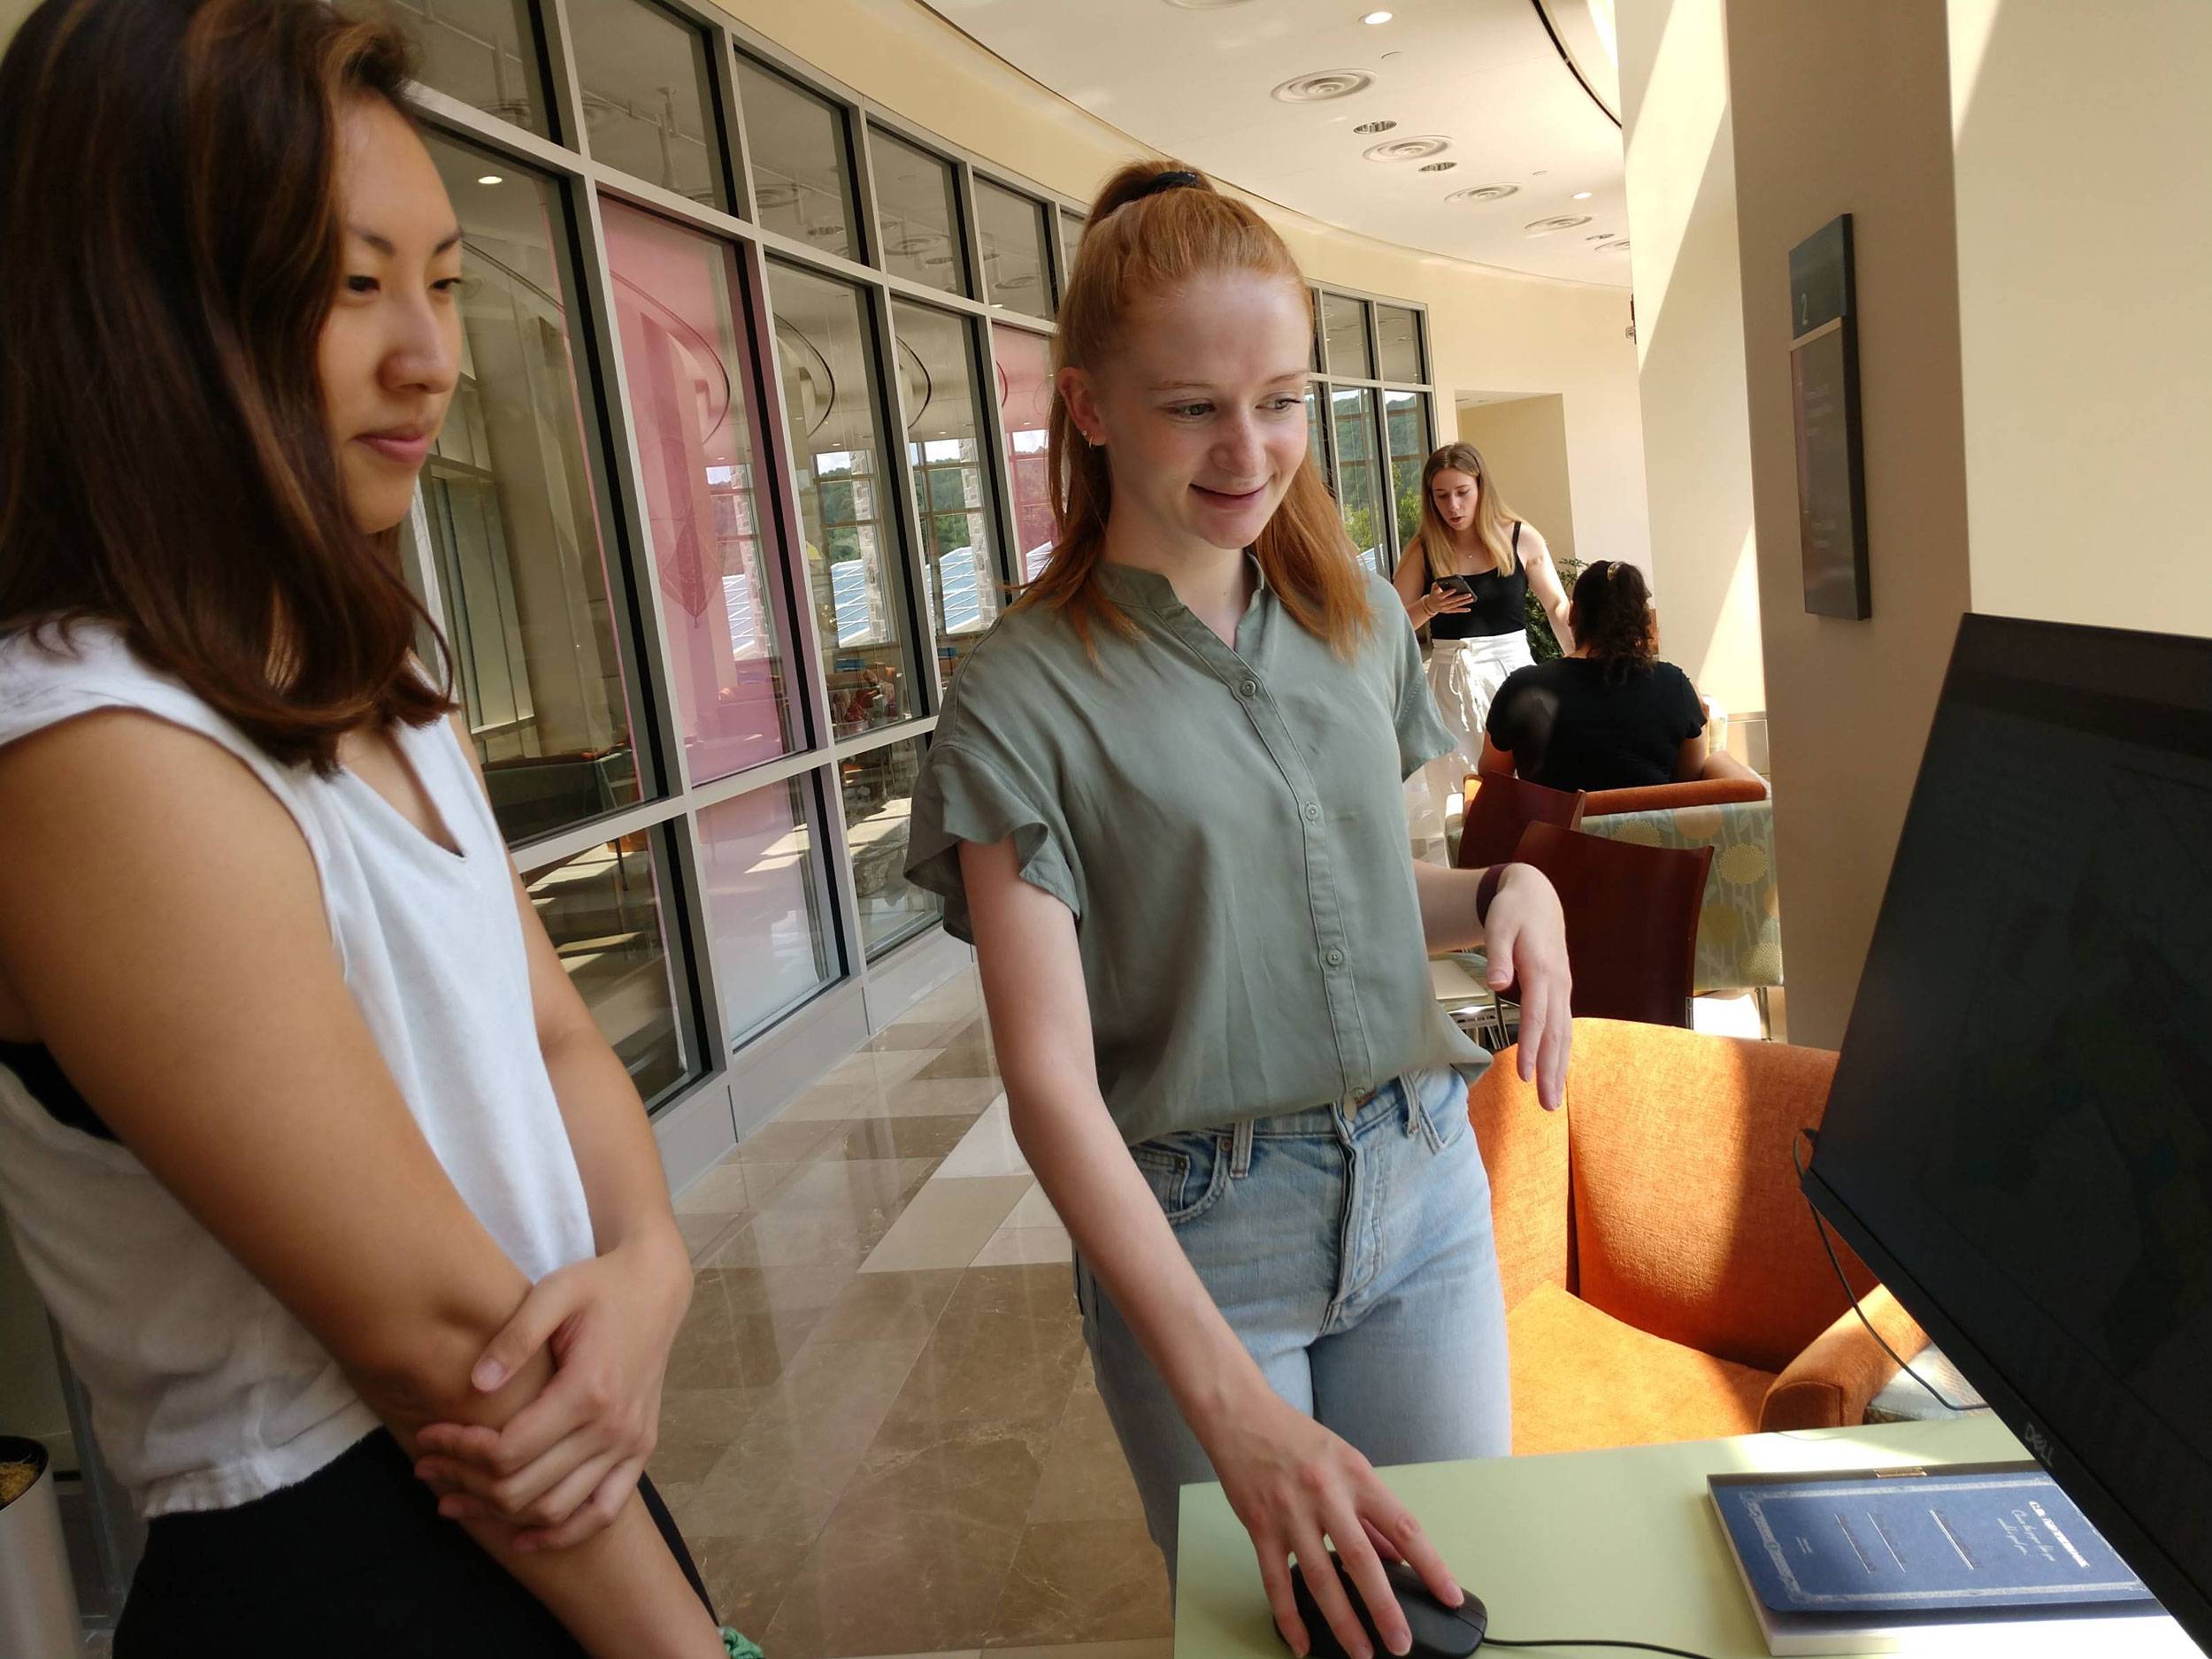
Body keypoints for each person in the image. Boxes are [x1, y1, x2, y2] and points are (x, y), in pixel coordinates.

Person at [0, 4, 724, 1653]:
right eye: (350, 283)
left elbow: (554, 1034)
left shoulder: (373, 667)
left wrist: (650, 1263)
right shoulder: (88, 740)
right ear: (138, 306)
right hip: (343, 1560)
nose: (430, 356)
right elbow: (425, 1343)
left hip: (559, 1508)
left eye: (445, 283)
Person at [902, 163, 1573, 1659]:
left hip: (1423, 1187)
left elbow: (1345, 900)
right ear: (1090, 409)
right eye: (1193, 405)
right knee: (1295, 1642)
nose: (1248, 448)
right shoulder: (1019, 691)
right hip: (1206, 1233)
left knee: (1455, 1622)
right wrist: (1225, 1398)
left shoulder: (1355, 619)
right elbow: (1048, 1082)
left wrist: (1501, 886)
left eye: (1279, 400)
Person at [1391, 442, 1574, 860]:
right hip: (1449, 681)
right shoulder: (1424, 547)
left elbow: (1557, 608)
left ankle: (1530, 868)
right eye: (1441, 496)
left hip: (1513, 676)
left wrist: (1577, 665)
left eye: (1462, 492)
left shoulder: (1520, 536)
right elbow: (1391, 624)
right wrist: (1428, 607)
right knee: (1457, 791)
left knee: (1523, 782)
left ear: (1481, 488)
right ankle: (1468, 876)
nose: (1453, 506)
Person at [1480, 559, 1763, 795]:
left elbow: (1492, 776)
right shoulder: (1674, 684)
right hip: (1654, 845)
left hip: (1550, 841)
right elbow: (1688, 780)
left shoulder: (1523, 687)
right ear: (1642, 620)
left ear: (1573, 614)